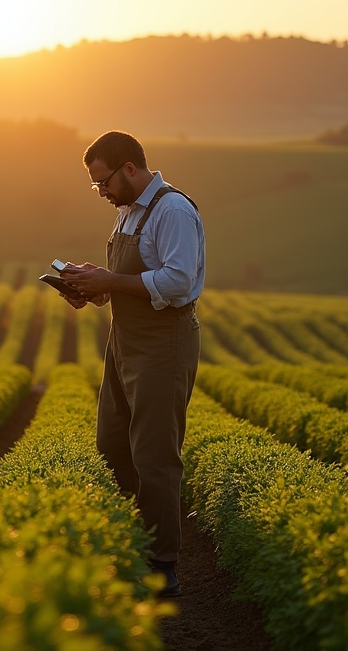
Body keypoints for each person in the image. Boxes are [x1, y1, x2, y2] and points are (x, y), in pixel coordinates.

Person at [59, 130, 205, 599]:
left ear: (129, 169)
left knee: (155, 456)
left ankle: (161, 565)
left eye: (103, 182)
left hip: (165, 343)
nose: (100, 192)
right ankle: (127, 542)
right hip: (125, 340)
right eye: (94, 185)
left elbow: (178, 282)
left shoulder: (173, 211)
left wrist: (110, 280)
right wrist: (93, 289)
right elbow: (129, 280)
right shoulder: (128, 212)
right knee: (112, 445)